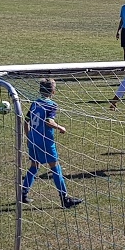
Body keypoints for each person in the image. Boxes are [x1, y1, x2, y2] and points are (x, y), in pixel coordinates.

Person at [20, 78, 82, 208]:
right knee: (55, 167)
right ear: (53, 91)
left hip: (33, 140)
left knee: (34, 166)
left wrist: (29, 137)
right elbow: (49, 121)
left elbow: (26, 121)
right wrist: (60, 127)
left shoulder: (34, 103)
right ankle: (65, 199)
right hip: (46, 141)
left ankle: (23, 193)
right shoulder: (51, 105)